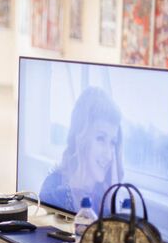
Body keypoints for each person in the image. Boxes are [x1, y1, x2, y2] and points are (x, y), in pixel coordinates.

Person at [40, 86, 124, 214]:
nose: (108, 155)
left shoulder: (106, 195)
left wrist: (112, 200)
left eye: (113, 142)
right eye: (101, 139)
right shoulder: (52, 189)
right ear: (80, 138)